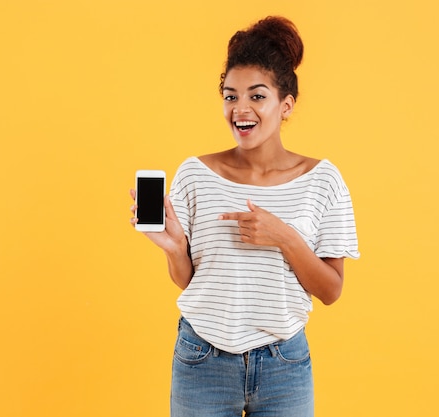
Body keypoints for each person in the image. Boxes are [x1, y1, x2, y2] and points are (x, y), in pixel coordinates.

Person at [130, 16, 359, 417]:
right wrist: (174, 250)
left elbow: (331, 291)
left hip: (283, 366)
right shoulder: (195, 174)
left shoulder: (322, 181)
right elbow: (187, 281)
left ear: (285, 105)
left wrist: (284, 236)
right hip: (202, 359)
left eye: (257, 96)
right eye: (230, 96)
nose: (241, 109)